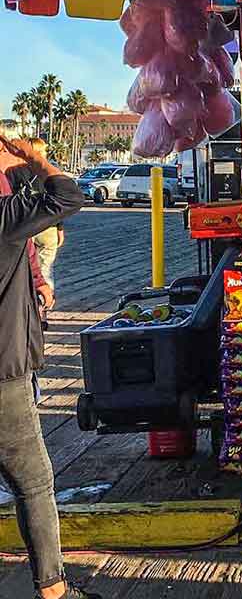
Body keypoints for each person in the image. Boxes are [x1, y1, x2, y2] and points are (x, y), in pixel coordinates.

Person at [0, 137, 93, 599]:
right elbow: (68, 195)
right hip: (3, 373)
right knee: (33, 482)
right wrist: (37, 158)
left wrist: (36, 281)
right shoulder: (3, 219)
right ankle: (53, 591)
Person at [28, 139, 64, 292]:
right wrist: (60, 228)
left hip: (26, 225)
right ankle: (43, 305)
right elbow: (58, 203)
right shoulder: (49, 173)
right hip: (48, 226)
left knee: (27, 269)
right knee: (45, 269)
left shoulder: (17, 171)